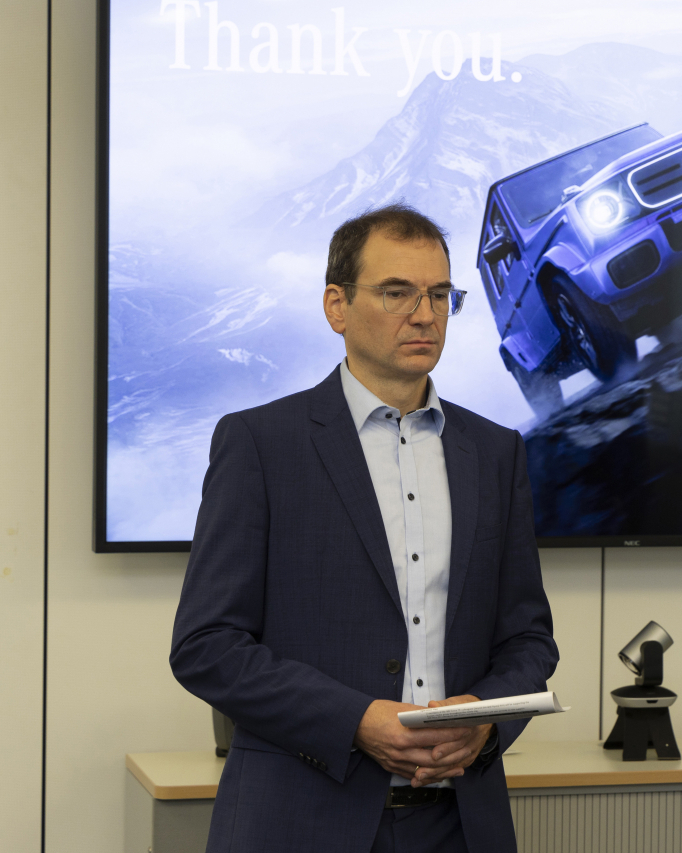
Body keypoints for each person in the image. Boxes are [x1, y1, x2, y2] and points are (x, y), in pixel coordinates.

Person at [171, 203, 558, 853]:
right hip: (299, 822)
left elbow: (528, 638)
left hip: (460, 823)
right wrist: (356, 720)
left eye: (440, 294)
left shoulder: (495, 452)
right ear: (336, 306)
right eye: (397, 292)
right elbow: (206, 644)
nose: (426, 314)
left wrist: (484, 724)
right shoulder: (260, 444)